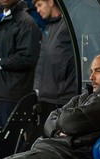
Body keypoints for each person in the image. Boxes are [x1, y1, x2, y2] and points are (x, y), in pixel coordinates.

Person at [0, 0, 41, 130]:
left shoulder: (26, 22)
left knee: (12, 144)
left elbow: (27, 58)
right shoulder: (0, 20)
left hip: (13, 95)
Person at [23, 0, 77, 149]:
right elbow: (41, 62)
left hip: (63, 96)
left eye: (40, 5)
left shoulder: (68, 26)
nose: (38, 10)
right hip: (47, 96)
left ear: (51, 2)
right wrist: (37, 88)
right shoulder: (48, 27)